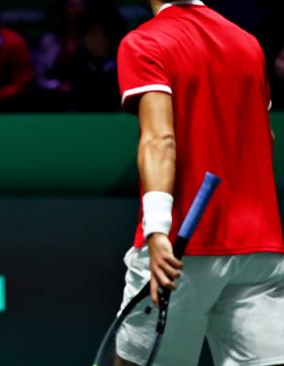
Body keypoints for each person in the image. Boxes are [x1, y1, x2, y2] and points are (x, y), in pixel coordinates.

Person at [115, 0, 284, 365]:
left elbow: (160, 139)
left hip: (181, 250)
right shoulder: (247, 43)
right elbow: (264, 139)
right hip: (260, 249)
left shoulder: (145, 42)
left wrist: (157, 230)